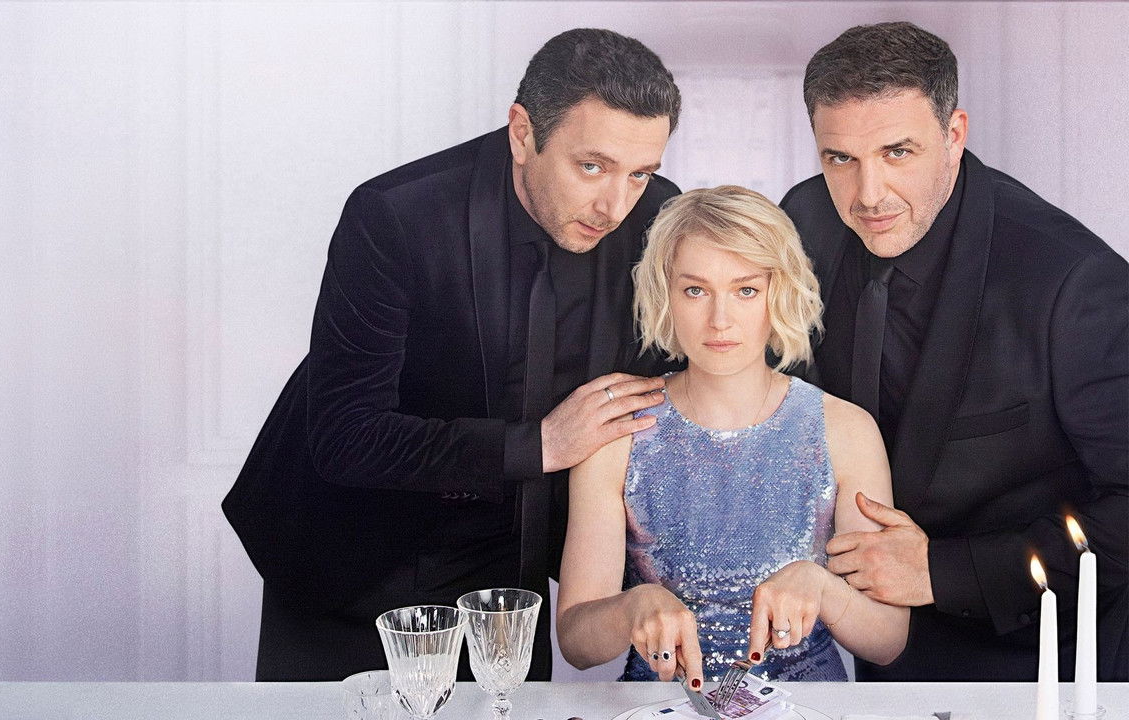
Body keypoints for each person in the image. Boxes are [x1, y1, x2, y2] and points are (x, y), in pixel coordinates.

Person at [222, 28, 684, 681]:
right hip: (355, 563)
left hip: (513, 580)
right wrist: (539, 445)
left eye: (639, 173)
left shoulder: (658, 219)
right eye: (591, 166)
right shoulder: (395, 216)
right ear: (522, 133)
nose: (615, 205)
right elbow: (346, 435)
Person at [781, 21, 1128, 681]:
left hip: (1038, 665)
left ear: (955, 134)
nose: (868, 195)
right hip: (871, 656)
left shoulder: (1071, 281)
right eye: (840, 159)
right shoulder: (805, 221)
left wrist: (944, 571)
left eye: (898, 152)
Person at [555, 186, 908, 688]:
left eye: (745, 290)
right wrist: (632, 606)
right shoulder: (619, 434)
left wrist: (824, 589)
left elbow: (888, 640)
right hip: (659, 707)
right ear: (665, 295)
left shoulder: (845, 430)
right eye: (695, 291)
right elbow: (575, 642)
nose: (720, 320)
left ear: (778, 292)